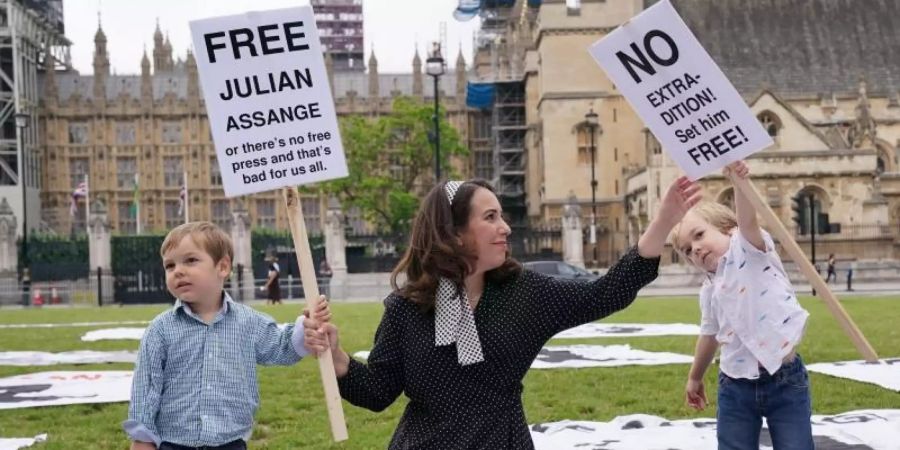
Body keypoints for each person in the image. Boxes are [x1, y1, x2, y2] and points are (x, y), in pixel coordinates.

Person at [304, 177, 700, 449]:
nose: (506, 228)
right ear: (453, 232)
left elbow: (606, 293)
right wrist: (337, 356)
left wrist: (665, 219)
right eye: (490, 217)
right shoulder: (406, 309)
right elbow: (376, 392)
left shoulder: (526, 292)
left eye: (502, 216)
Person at [123, 221, 330, 450]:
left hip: (230, 442)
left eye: (190, 260)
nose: (178, 270)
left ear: (222, 267)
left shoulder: (248, 322)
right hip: (175, 443)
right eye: (170, 266)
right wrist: (142, 438)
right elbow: (146, 386)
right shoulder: (160, 329)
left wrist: (307, 328)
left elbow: (280, 346)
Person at [670, 161, 813, 450]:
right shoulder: (709, 289)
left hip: (785, 379)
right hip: (734, 386)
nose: (695, 249)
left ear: (728, 229)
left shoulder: (749, 249)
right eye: (687, 250)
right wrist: (695, 377)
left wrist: (739, 183)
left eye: (699, 235)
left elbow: (748, 221)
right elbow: (709, 335)